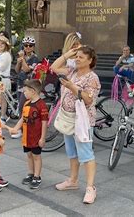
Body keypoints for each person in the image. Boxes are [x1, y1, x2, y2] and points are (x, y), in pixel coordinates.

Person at [50, 45, 101, 204]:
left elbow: (88, 99)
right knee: (71, 152)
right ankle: (73, 180)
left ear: (90, 60)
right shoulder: (71, 71)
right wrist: (68, 54)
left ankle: (91, 188)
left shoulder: (92, 78)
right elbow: (54, 67)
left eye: (81, 57)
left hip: (82, 121)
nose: (77, 59)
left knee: (86, 154)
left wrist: (71, 86)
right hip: (68, 117)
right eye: (76, 56)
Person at [10, 79, 48, 189]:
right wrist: (16, 128)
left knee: (36, 156)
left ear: (33, 91)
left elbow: (44, 123)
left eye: (25, 91)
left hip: (36, 137)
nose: (24, 93)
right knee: (29, 155)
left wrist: (43, 138)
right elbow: (22, 118)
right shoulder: (27, 103)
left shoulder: (42, 105)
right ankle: (30, 173)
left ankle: (37, 176)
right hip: (27, 136)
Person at [14, 36, 40, 137]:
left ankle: (21, 129)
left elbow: (26, 69)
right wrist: (19, 61)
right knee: (20, 107)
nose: (28, 47)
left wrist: (22, 60)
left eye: (30, 45)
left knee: (22, 107)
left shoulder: (35, 58)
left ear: (33, 47)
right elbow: (17, 70)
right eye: (25, 45)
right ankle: (24, 128)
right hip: (20, 83)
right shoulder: (22, 57)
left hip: (29, 86)